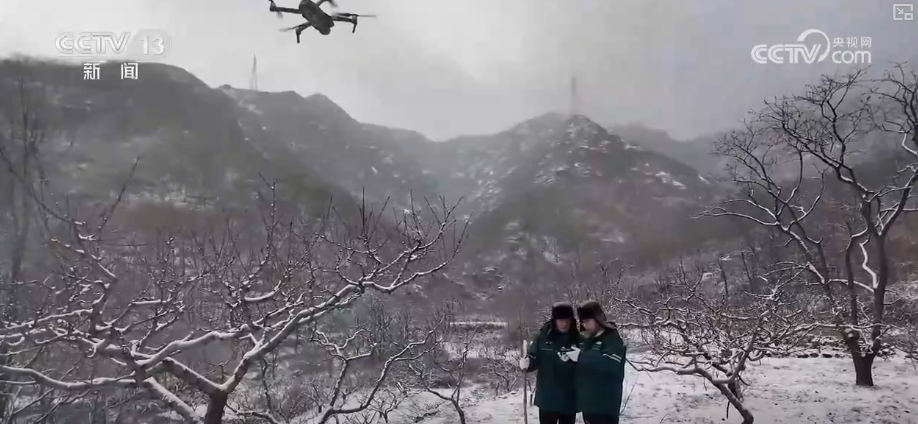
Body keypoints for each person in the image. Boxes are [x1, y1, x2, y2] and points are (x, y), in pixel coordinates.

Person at [564, 300, 626, 424]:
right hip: (589, 404)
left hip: (605, 405)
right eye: (582, 322)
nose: (585, 325)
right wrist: (570, 359)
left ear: (598, 318)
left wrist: (581, 357)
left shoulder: (612, 338)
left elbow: (612, 365)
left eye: (587, 321)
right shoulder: (588, 339)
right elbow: (587, 365)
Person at [519, 302, 581, 424]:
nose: (564, 324)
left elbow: (585, 367)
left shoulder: (578, 339)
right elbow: (534, 358)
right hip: (547, 398)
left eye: (567, 320)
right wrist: (528, 363)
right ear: (554, 320)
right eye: (560, 320)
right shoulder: (542, 337)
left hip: (569, 399)